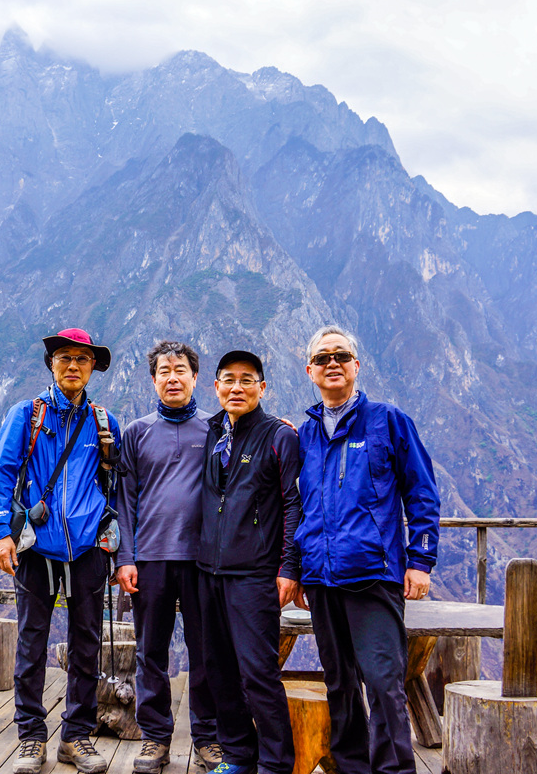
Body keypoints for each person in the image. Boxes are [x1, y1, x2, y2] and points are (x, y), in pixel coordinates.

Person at [295, 325, 441, 774]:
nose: (332, 363)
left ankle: (394, 770)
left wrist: (421, 560)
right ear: (310, 371)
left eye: (341, 355)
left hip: (373, 574)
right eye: (322, 358)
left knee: (382, 681)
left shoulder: (388, 421)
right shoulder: (306, 434)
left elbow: (421, 492)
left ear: (356, 365)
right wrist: (297, 567)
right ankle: (352, 767)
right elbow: (298, 506)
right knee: (339, 683)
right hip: (320, 577)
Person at [0, 327, 123, 774]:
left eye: (82, 359)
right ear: (52, 364)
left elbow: (116, 484)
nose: (73, 366)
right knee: (32, 643)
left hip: (87, 548)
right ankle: (31, 736)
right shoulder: (27, 416)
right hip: (37, 547)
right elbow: (1, 475)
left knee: (86, 645)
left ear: (93, 367)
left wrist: (112, 535)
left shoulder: (104, 423)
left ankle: (76, 737)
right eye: (65, 357)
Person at [116, 341, 221, 773]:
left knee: (207, 652)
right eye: (164, 371)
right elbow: (125, 501)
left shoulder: (216, 429)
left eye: (181, 370)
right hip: (150, 558)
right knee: (151, 652)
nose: (173, 378)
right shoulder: (136, 433)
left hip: (203, 561)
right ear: (153, 379)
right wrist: (125, 558)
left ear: (195, 378)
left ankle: (208, 738)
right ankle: (155, 739)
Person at [197, 350, 302, 774]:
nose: (236, 387)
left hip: (255, 574)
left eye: (247, 380)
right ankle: (239, 755)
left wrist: (289, 567)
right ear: (216, 387)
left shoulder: (279, 436)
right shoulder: (213, 432)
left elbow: (294, 503)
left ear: (263, 387)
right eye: (228, 379)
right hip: (209, 571)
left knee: (258, 672)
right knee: (219, 670)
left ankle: (275, 764)